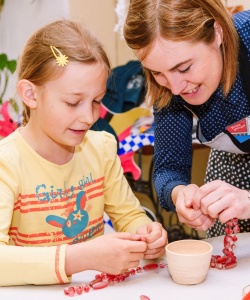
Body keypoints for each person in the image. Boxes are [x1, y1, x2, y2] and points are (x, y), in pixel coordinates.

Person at [0, 19, 168, 286]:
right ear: (30, 94)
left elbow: (128, 215)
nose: (88, 116)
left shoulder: (100, 148)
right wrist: (79, 258)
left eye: (97, 101)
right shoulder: (6, 163)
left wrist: (145, 234)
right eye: (73, 102)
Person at [123, 0, 250, 237]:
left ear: (218, 33)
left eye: (184, 68)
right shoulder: (169, 78)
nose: (175, 89)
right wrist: (180, 193)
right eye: (157, 73)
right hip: (231, 165)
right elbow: (169, 169)